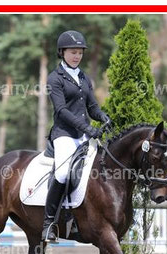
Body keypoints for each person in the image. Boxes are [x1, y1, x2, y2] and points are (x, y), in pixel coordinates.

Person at [42, 30, 111, 242]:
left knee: (100, 168)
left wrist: (103, 117)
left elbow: (92, 107)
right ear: (62, 52)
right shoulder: (55, 78)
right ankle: (49, 223)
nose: (77, 56)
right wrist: (88, 129)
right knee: (63, 173)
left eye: (80, 53)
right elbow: (61, 111)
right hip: (64, 134)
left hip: (83, 135)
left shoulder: (83, 77)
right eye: (73, 52)